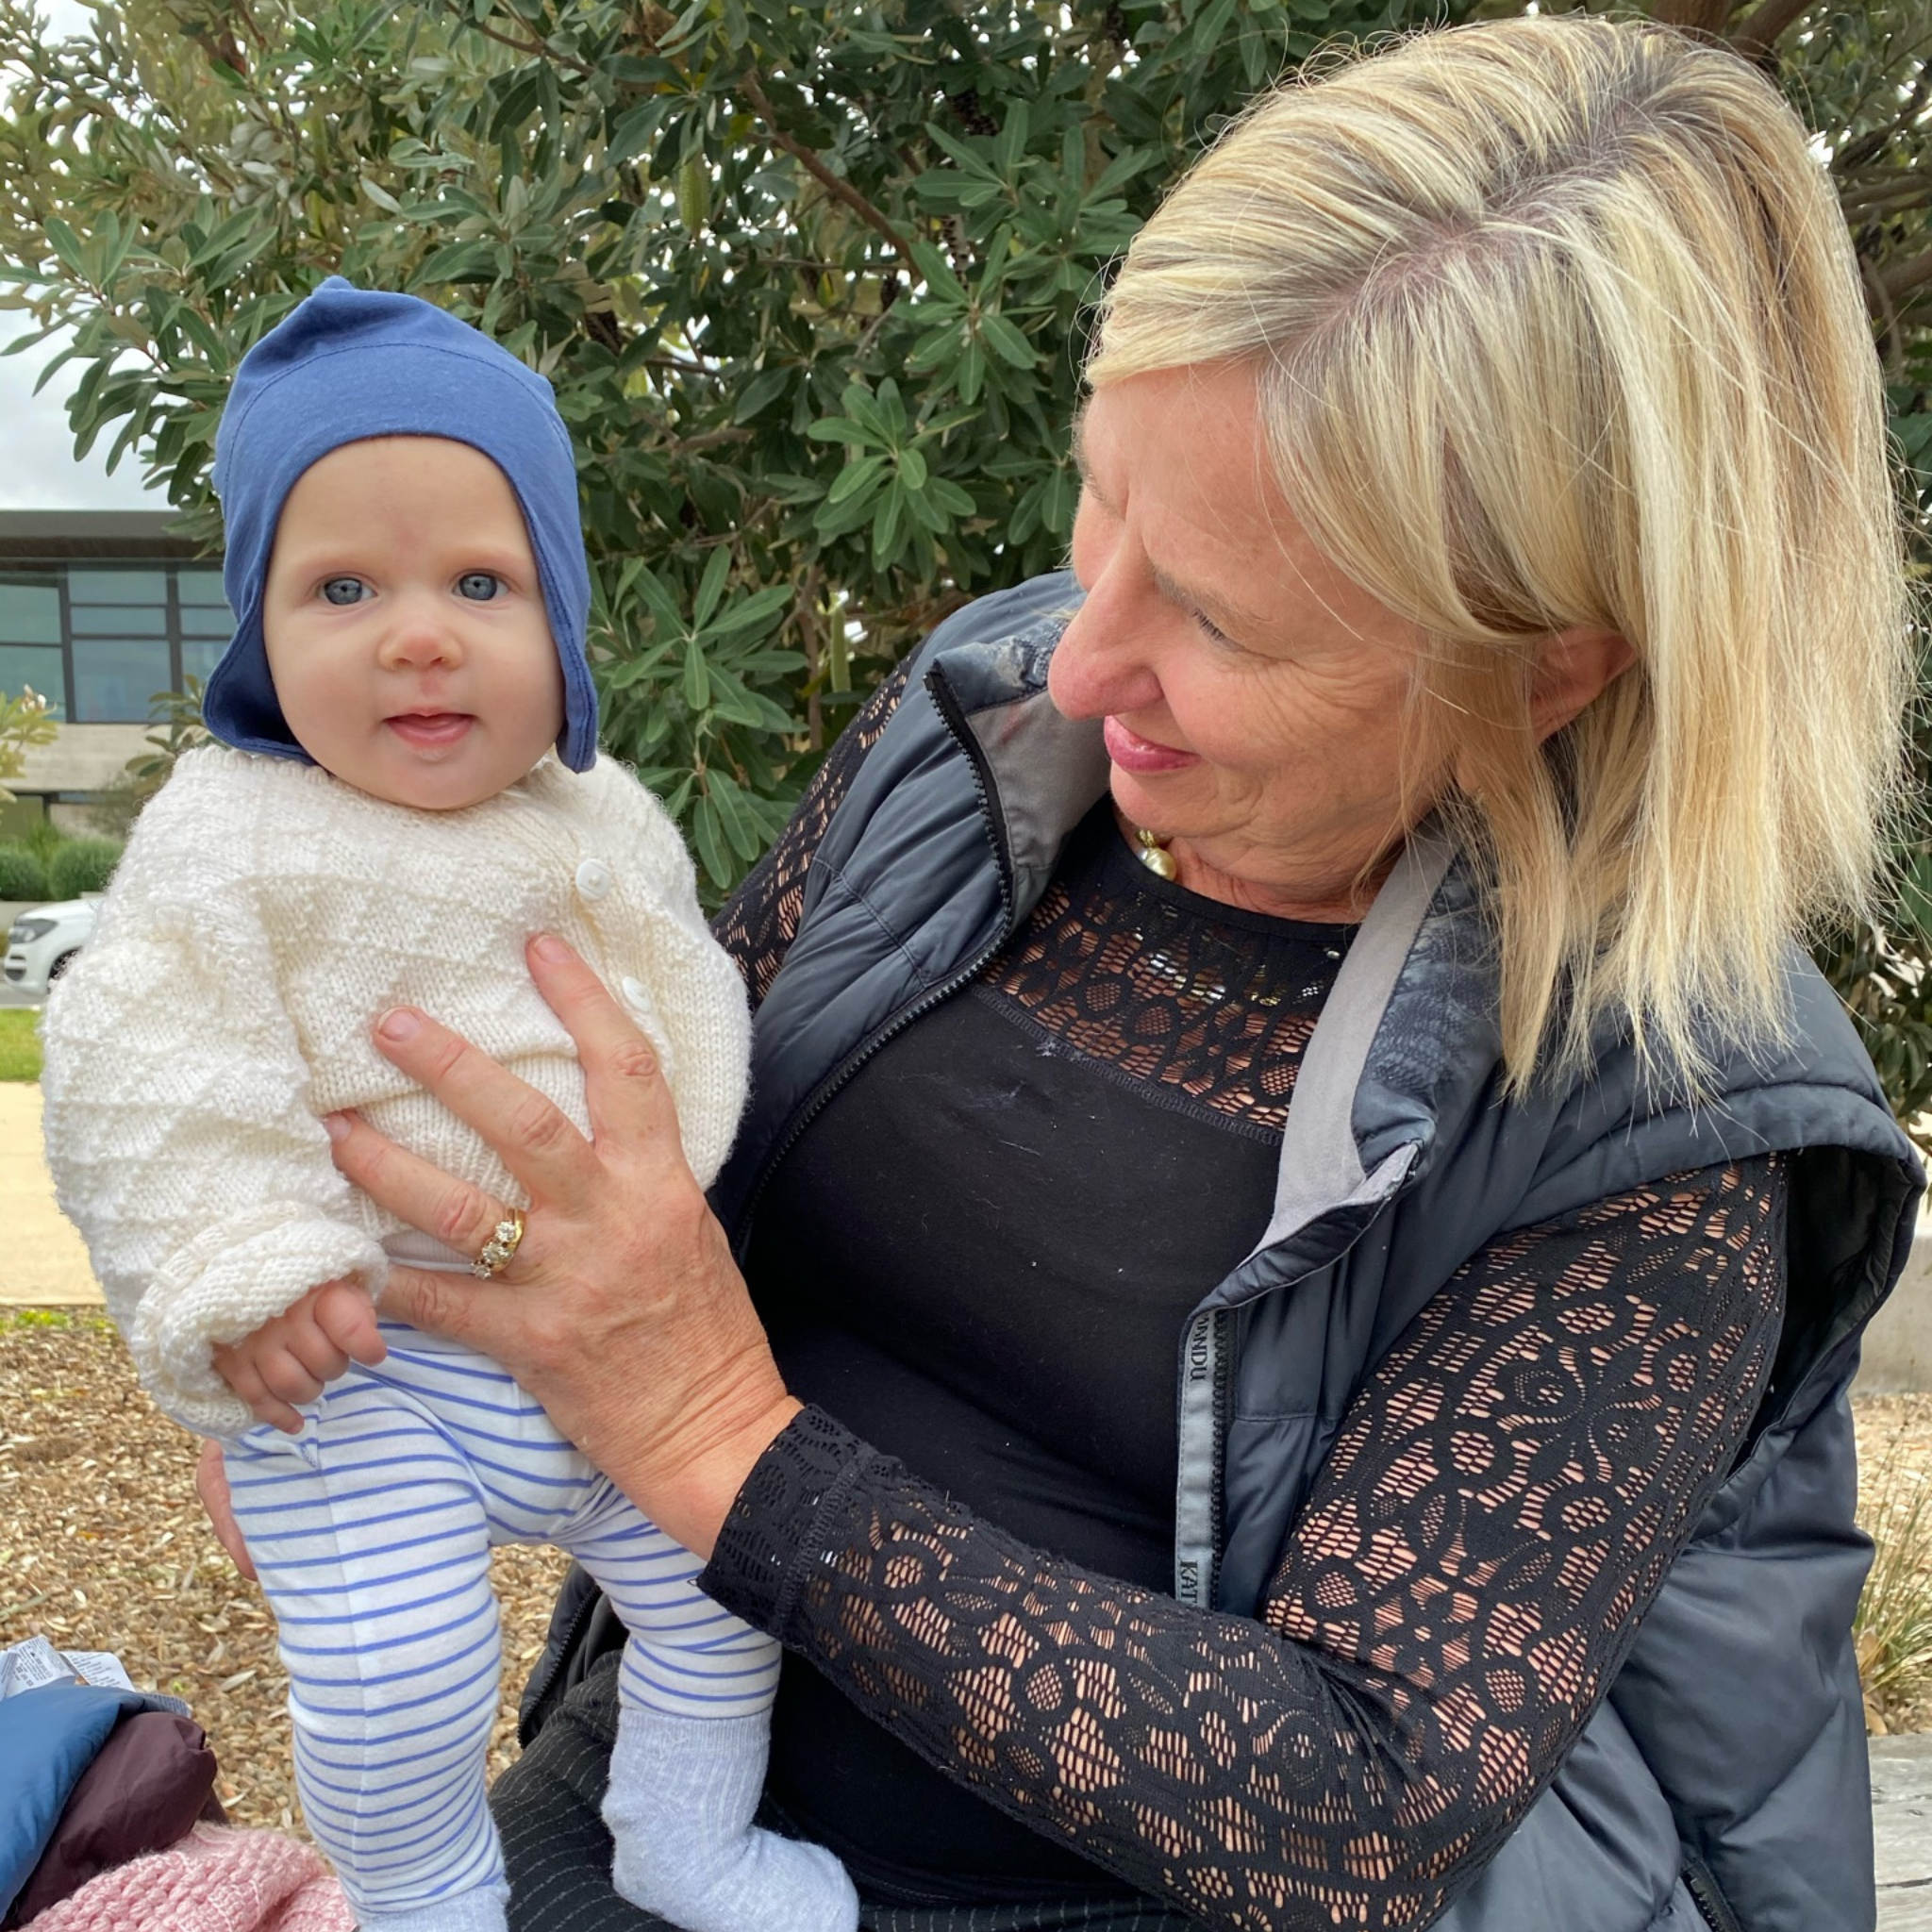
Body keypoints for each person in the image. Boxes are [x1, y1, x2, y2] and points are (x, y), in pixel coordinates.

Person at [195, 18, 1923, 1932]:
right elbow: (666, 1125)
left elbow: (1364, 1803)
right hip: (678, 1800)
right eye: (1102, 503)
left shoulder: (1663, 1106)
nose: (1081, 661)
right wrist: (322, 1310)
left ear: (1548, 668)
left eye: (1216, 611)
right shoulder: (987, 707)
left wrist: (710, 1447)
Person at [40, 282, 858, 1932]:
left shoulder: (596, 815)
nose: (418, 634)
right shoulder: (232, 836)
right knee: (396, 1667)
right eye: (341, 586)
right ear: (256, 638)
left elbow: (686, 998)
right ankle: (420, 1897)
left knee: (730, 1591)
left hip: (605, 1330)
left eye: (480, 583)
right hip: (363, 1361)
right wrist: (244, 1273)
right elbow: (143, 1058)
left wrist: (690, 1194)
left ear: (560, 614)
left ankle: (681, 1840)